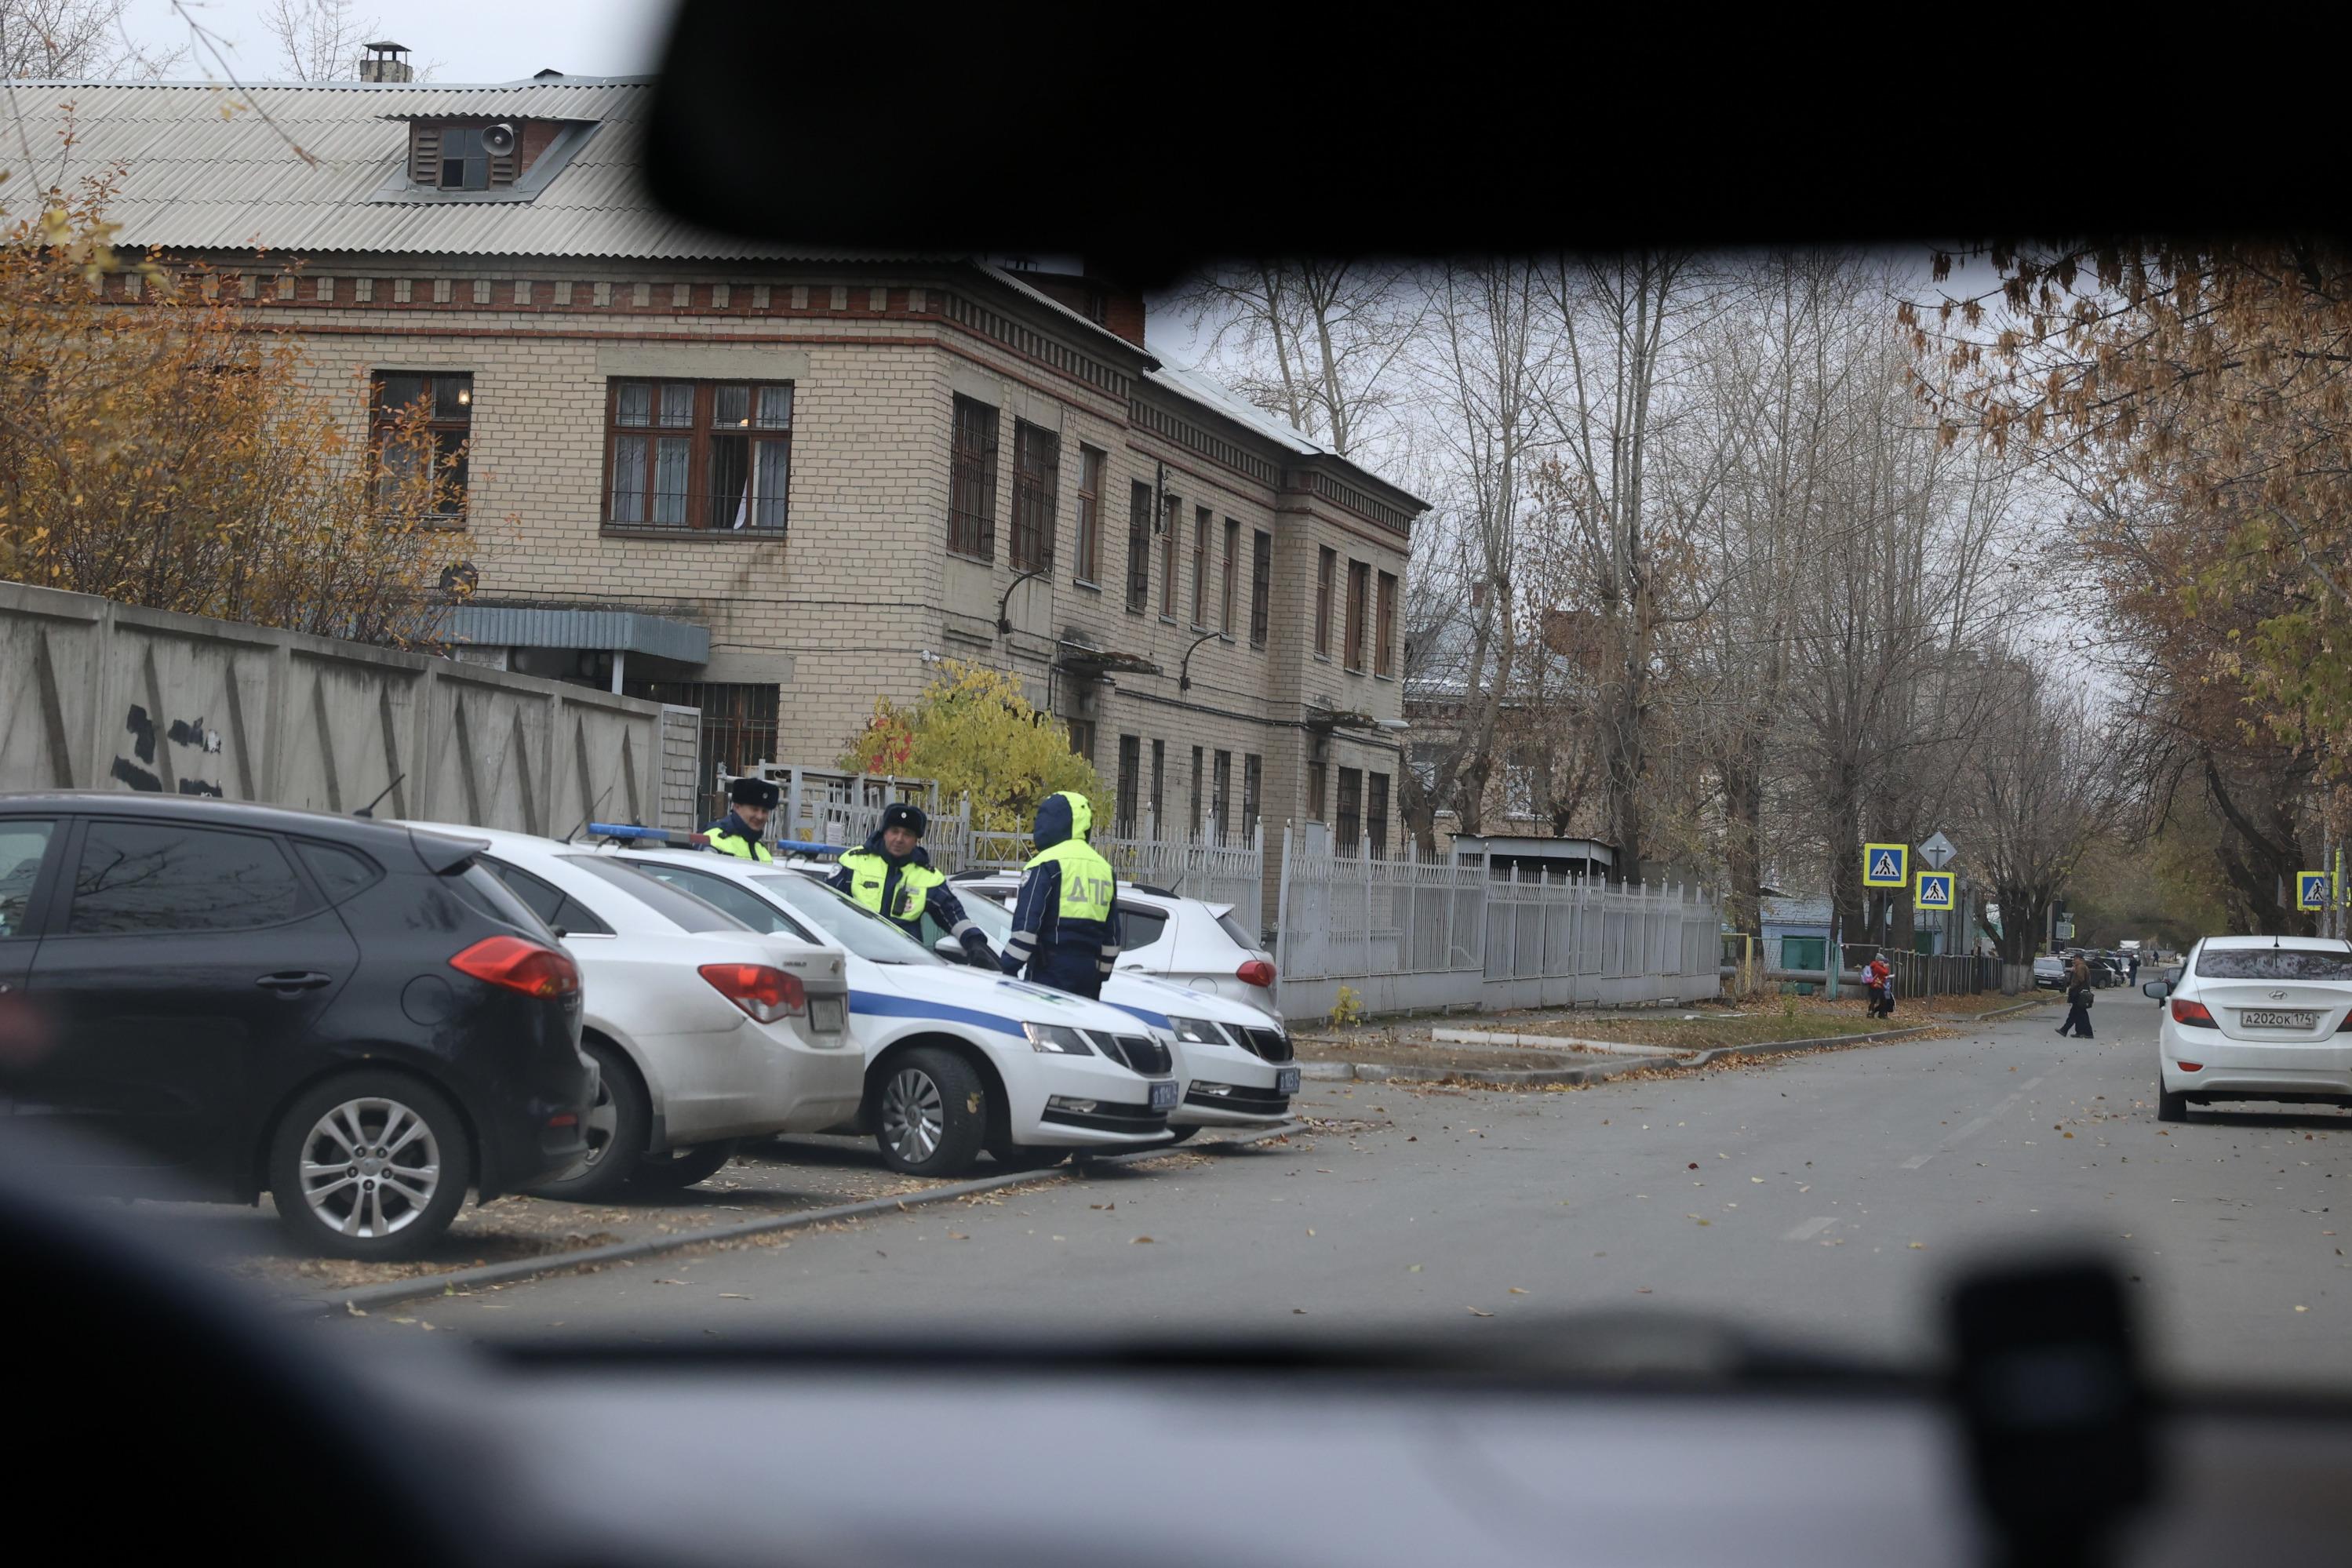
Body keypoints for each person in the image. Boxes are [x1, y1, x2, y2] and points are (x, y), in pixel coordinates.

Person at [828, 802, 994, 965]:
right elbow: (824, 908)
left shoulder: (928, 877)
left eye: (907, 834)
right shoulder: (853, 862)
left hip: (904, 966)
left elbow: (954, 916)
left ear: (916, 840)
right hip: (855, 961)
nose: (899, 839)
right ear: (884, 833)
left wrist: (975, 943)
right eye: (894, 831)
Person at [999, 790, 1118, 998]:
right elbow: (1113, 936)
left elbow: (1026, 929)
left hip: (1047, 978)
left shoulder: (1044, 864)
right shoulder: (1105, 869)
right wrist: (1101, 975)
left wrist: (1006, 970)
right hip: (1089, 980)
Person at [705, 777, 777, 861]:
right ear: (737, 807)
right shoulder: (712, 839)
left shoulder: (762, 850)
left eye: (764, 811)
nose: (760, 816)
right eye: (754, 809)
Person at [2058, 955, 2095, 1039]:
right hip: (2081, 993)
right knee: (2077, 1014)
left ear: (2079, 959)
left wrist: (2072, 986)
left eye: (2075, 959)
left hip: (2079, 994)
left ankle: (2087, 1033)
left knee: (2079, 1014)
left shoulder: (2080, 967)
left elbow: (2080, 979)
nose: (2074, 961)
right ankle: (2077, 1031)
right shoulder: (2082, 966)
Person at [1866, 951, 1895, 1020]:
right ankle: (1873, 1013)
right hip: (1876, 986)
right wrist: (1886, 967)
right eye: (1882, 961)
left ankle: (1878, 1013)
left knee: (1880, 1000)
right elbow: (1885, 972)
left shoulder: (1876, 966)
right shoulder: (1877, 966)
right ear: (1878, 960)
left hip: (1878, 985)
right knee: (1876, 1000)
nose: (1883, 962)